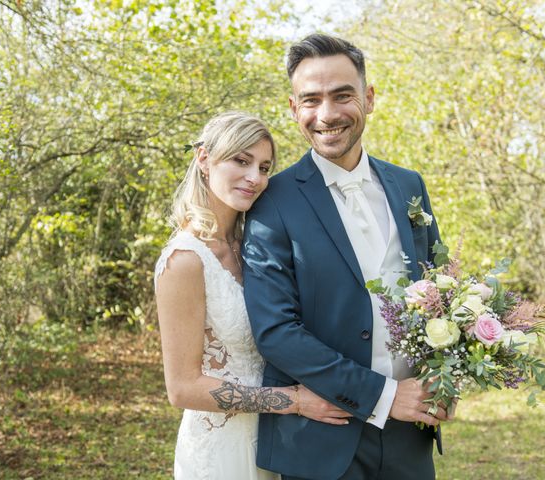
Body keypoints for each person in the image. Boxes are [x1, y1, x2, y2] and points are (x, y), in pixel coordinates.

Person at [242, 35, 451, 480]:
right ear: (293, 108)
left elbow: (440, 292)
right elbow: (276, 331)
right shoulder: (270, 200)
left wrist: (444, 375)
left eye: (342, 95)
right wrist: (382, 396)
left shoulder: (409, 185)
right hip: (319, 436)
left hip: (410, 435)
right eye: (311, 99)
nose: (327, 114)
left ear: (369, 98)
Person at [155, 111, 352, 480]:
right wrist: (293, 401)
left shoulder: (253, 247)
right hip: (220, 450)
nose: (255, 178)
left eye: (264, 167)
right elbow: (181, 388)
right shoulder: (184, 260)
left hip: (276, 443)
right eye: (241, 161)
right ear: (204, 160)